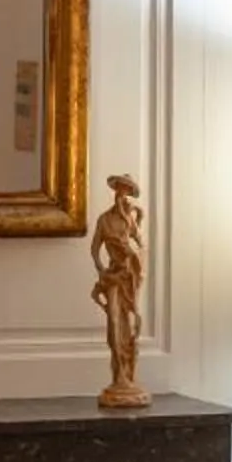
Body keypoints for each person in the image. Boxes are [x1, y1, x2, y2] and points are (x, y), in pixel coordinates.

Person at [90, 172, 149, 406]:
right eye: (120, 189)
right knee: (114, 321)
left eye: (126, 190)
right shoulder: (104, 220)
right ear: (115, 191)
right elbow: (95, 248)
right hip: (114, 277)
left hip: (130, 277)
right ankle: (119, 374)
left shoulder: (130, 220)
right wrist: (101, 269)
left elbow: (142, 245)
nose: (122, 193)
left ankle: (128, 372)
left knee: (132, 324)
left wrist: (137, 263)